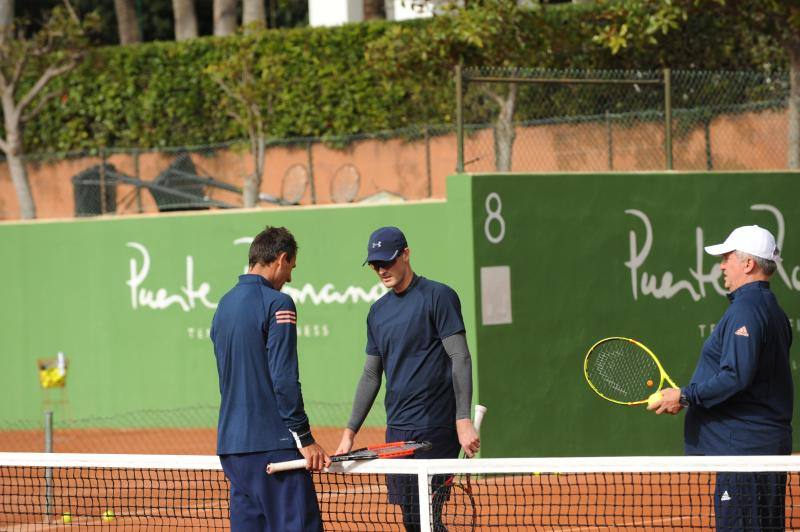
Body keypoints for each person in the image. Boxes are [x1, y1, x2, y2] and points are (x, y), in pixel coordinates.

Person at [335, 226, 480, 532]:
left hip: (436, 428)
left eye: (386, 261)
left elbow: (460, 357)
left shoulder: (439, 297)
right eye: (375, 264)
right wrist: (349, 433)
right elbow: (371, 374)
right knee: (413, 522)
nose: (381, 270)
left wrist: (463, 418)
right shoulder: (377, 313)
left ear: (406, 254)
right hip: (398, 431)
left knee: (427, 516)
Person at [648, 225, 793, 531]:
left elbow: (736, 376)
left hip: (745, 455)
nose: (722, 265)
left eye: (727, 257)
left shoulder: (747, 310)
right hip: (757, 450)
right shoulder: (772, 309)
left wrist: (685, 396)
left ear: (748, 264)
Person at [211, 226, 330, 531]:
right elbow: (284, 379)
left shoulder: (223, 305)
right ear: (280, 259)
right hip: (274, 450)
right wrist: (304, 438)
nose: (289, 277)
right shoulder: (279, 303)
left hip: (233, 451)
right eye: (290, 267)